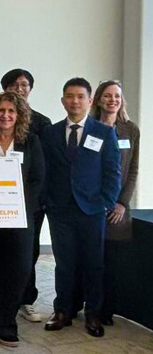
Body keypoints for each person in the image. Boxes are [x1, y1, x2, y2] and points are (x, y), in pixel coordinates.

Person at [40, 78, 120, 338]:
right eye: (70, 96)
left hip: (92, 209)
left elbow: (112, 171)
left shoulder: (104, 132)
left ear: (90, 101)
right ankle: (62, 310)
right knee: (63, 263)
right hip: (60, 210)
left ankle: (93, 313)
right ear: (63, 100)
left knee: (93, 264)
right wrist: (47, 202)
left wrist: (106, 202)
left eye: (80, 97)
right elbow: (45, 172)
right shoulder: (50, 133)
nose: (75, 101)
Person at [0, 92, 45, 347]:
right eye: (1, 110)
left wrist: (20, 206)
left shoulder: (31, 142)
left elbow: (37, 179)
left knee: (19, 269)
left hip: (20, 218)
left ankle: (6, 319)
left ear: (19, 116)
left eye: (11, 112)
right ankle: (0, 323)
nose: (5, 115)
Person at [1, 68, 52, 323]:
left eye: (24, 85)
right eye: (13, 85)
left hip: (31, 203)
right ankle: (1, 301)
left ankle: (26, 300)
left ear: (30, 89)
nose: (19, 89)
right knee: (3, 253)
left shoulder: (41, 124)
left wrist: (30, 203)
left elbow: (42, 169)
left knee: (28, 253)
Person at [90, 80, 139, 326]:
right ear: (98, 99)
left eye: (117, 96)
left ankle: (105, 310)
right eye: (107, 95)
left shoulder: (130, 130)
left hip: (117, 210)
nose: (112, 100)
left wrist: (121, 203)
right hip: (91, 206)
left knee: (112, 262)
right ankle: (88, 307)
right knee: (89, 260)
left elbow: (133, 171)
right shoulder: (88, 128)